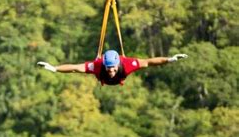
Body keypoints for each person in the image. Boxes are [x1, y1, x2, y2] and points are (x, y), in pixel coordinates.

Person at [37, 50, 188, 86]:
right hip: (104, 81)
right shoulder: (97, 66)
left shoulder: (128, 64)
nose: (111, 71)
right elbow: (76, 68)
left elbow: (149, 62)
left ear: (118, 65)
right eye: (108, 68)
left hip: (118, 81)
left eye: (113, 68)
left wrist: (169, 59)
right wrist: (55, 69)